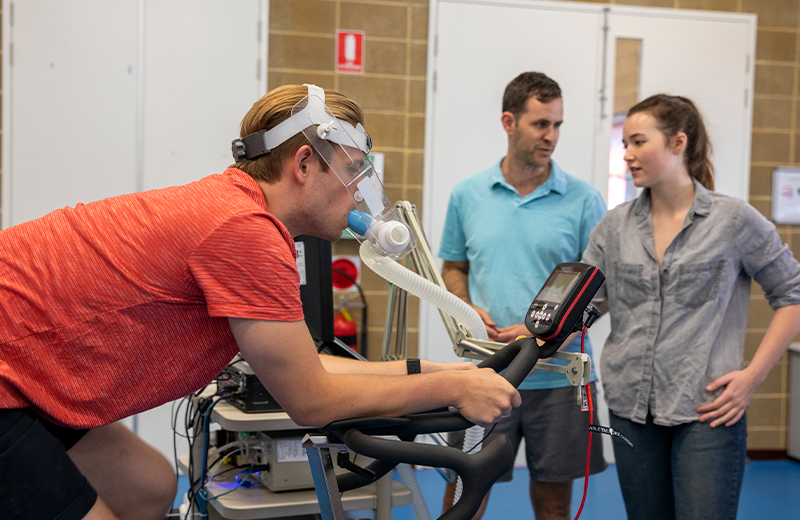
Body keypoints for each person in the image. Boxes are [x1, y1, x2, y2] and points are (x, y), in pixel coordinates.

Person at [0, 84, 522, 520]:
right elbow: (311, 398)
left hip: (33, 380)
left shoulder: (236, 208)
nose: (362, 192)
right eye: (353, 170)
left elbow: (306, 366)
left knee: (151, 486)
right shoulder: (244, 230)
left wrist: (431, 370)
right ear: (302, 164)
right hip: (9, 381)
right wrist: (452, 386)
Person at [581, 94, 800, 520]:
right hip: (630, 409)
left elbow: (792, 294)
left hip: (708, 411)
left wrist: (752, 378)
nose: (627, 155)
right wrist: (532, 332)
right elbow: (588, 306)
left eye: (638, 142)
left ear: (678, 142)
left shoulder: (733, 221)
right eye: (625, 144)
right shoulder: (614, 226)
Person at [438, 72, 607, 520]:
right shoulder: (468, 194)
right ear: (509, 122)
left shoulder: (585, 200)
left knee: (553, 499)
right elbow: (453, 268)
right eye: (540, 124)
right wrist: (466, 305)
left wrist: (551, 336)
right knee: (465, 488)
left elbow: (601, 293)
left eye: (557, 125)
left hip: (558, 376)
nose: (550, 136)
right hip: (486, 372)